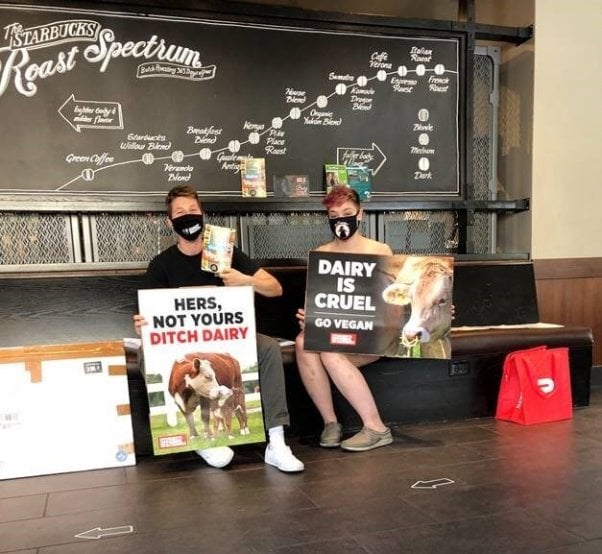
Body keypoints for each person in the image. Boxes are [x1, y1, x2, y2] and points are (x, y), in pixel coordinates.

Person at [133, 184, 304, 473]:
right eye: (180, 213)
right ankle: (200, 441)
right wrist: (143, 324)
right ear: (169, 221)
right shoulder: (161, 264)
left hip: (227, 338)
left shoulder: (225, 253)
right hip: (184, 346)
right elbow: (146, 316)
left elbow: (274, 289)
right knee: (145, 354)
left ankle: (276, 441)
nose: (187, 217)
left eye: (193, 211)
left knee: (269, 348)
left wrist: (244, 279)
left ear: (203, 214)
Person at [295, 185, 393, 452]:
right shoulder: (322, 254)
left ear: (360, 215)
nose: (341, 219)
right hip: (338, 334)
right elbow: (316, 302)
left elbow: (397, 297)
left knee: (329, 350)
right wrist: (310, 317)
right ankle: (331, 423)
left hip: (370, 336)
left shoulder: (380, 250)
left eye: (347, 212)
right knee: (304, 341)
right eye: (334, 214)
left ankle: (376, 427)